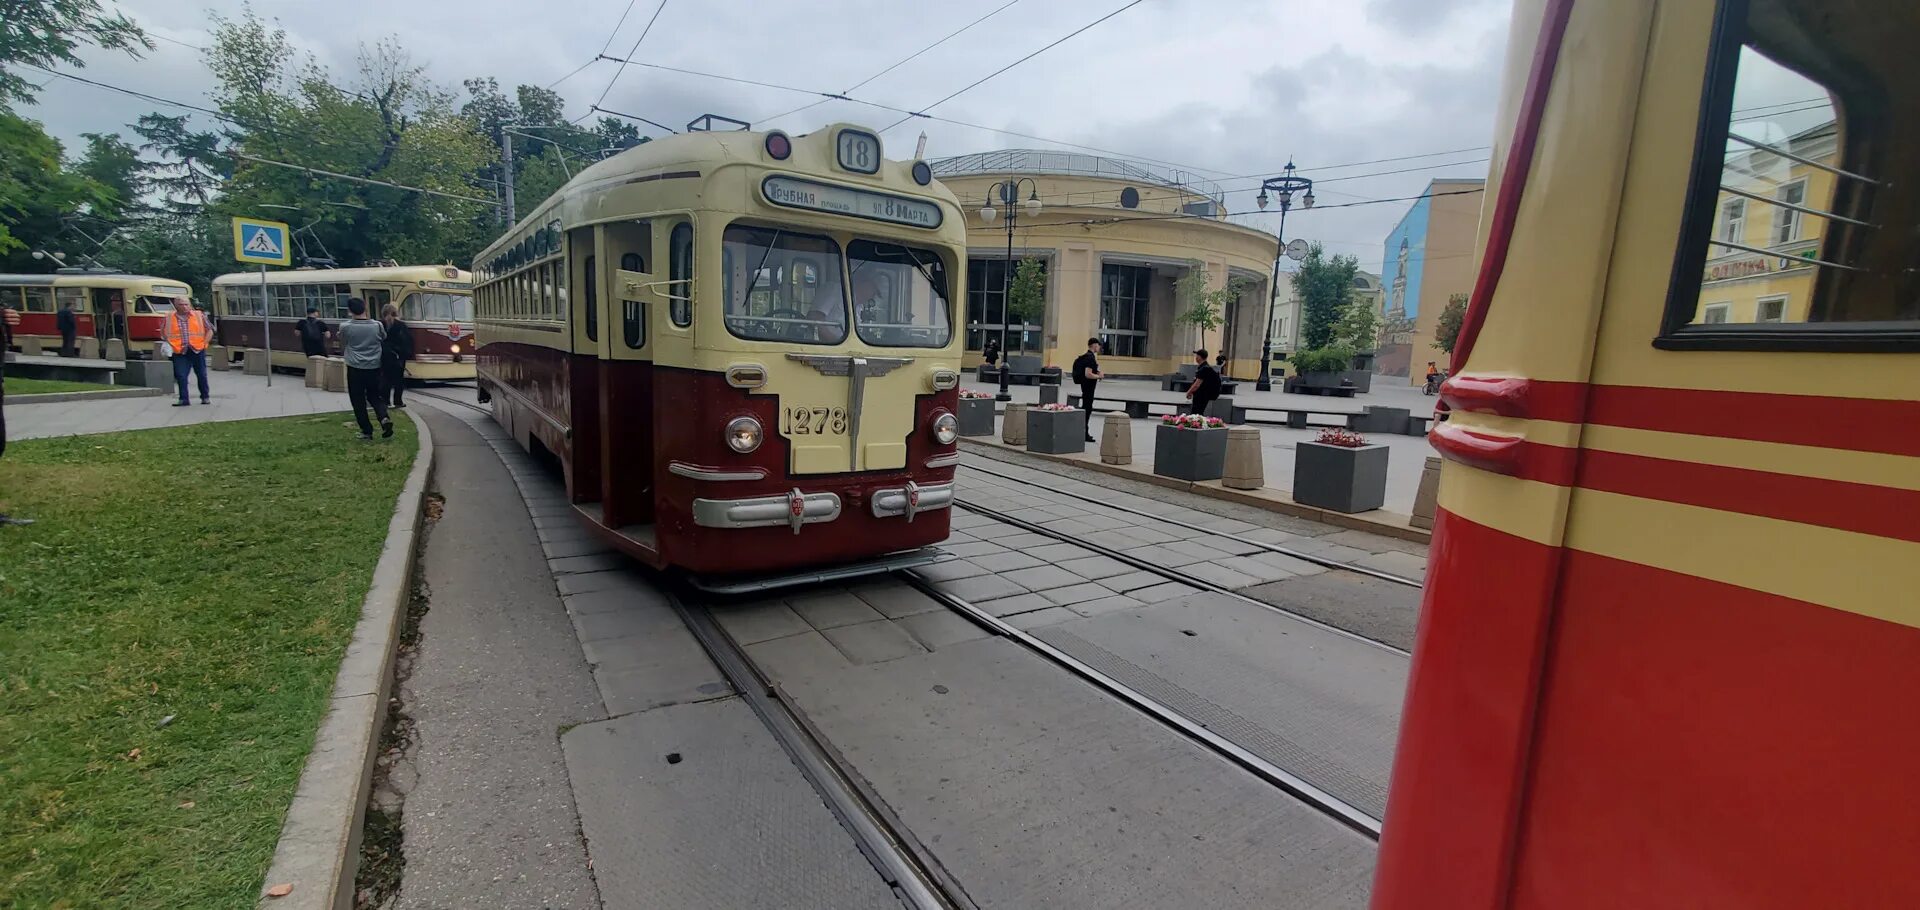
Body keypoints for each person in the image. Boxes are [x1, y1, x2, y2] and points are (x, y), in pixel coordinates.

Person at [338, 297, 393, 439]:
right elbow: (383, 337)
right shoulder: (377, 325)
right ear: (365, 308)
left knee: (358, 399)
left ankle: (366, 430)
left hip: (355, 367)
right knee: (375, 395)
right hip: (374, 366)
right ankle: (384, 418)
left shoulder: (345, 327)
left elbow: (343, 342)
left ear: (350, 310)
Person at [162, 296, 212, 406]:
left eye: (186, 304)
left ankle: (205, 397)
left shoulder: (199, 315)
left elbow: (209, 330)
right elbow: (164, 332)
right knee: (181, 375)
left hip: (197, 349)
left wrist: (204, 344)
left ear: (190, 305)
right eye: (181, 304)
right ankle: (183, 399)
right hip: (179, 350)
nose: (184, 307)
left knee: (201, 374)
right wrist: (169, 343)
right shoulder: (169, 317)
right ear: (176, 305)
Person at [379, 303, 413, 408]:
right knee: (398, 380)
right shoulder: (401, 326)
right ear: (395, 313)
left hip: (384, 356)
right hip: (398, 357)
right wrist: (405, 354)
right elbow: (408, 341)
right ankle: (398, 401)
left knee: (385, 379)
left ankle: (385, 401)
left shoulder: (380, 325)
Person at [1071, 337, 1104, 443]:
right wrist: (1099, 377)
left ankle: (1083, 432)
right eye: (1098, 345)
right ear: (1094, 345)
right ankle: (1084, 433)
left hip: (1085, 387)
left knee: (1086, 408)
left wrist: (1097, 373)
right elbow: (1088, 374)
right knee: (1087, 409)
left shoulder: (1087, 357)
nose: (1099, 348)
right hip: (1088, 388)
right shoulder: (1090, 358)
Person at [1187, 348, 1222, 417]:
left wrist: (1189, 392)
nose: (1196, 357)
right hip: (1203, 394)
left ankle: (1196, 426)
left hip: (1202, 395)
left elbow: (1197, 384)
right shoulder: (1204, 367)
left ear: (1200, 357)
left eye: (1197, 356)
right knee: (1198, 413)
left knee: (1196, 414)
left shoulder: (1204, 368)